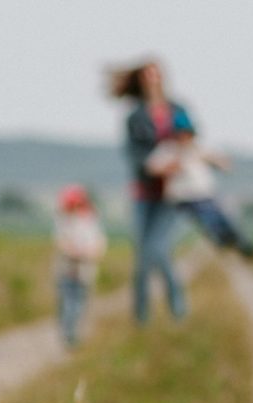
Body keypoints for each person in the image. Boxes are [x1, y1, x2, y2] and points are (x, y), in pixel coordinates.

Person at [109, 59, 189, 324]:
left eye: (156, 75)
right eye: (147, 76)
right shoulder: (135, 116)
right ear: (141, 82)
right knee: (142, 258)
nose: (152, 81)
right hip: (145, 193)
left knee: (158, 249)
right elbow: (133, 154)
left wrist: (179, 161)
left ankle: (177, 306)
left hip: (172, 193)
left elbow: (191, 138)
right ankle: (141, 318)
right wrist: (151, 167)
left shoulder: (178, 109)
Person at [146, 113, 253, 258]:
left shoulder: (198, 148)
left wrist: (211, 159)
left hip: (205, 194)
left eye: (186, 134)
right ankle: (222, 239)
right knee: (208, 218)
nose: (184, 137)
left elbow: (226, 165)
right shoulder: (168, 149)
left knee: (225, 217)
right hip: (182, 198)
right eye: (181, 134)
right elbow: (152, 168)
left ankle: (242, 244)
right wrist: (173, 165)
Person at [53, 184, 107, 347]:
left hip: (84, 270)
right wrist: (74, 251)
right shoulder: (63, 222)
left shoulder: (91, 222)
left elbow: (99, 245)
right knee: (68, 302)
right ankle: (68, 332)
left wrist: (89, 253)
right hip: (67, 269)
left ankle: (72, 332)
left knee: (79, 303)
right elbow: (61, 243)